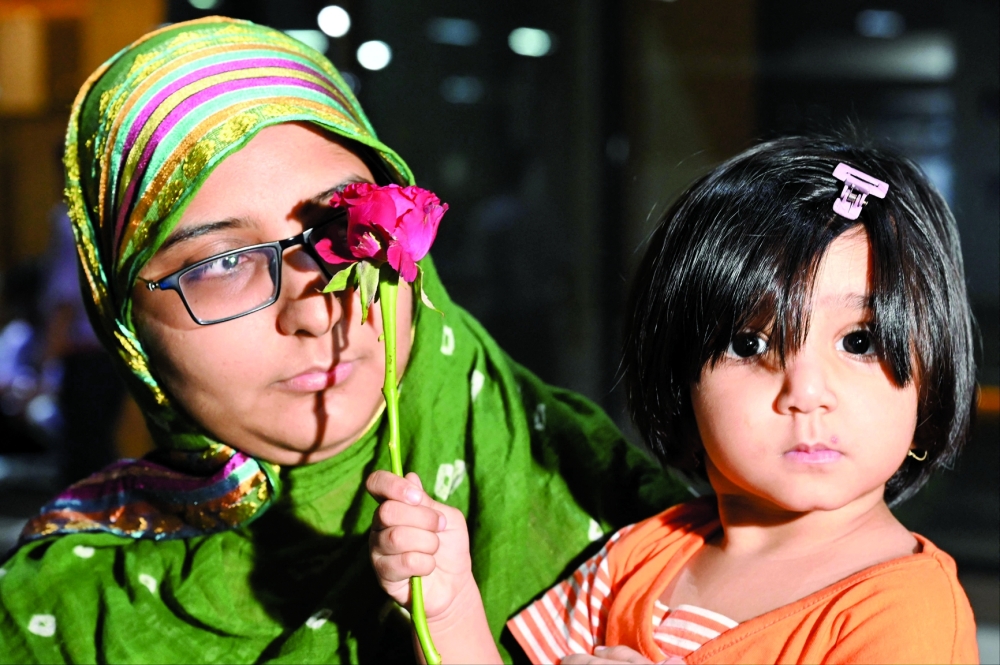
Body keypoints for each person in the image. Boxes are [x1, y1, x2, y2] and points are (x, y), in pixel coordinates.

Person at [0, 17, 691, 663]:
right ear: (123, 323)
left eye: (342, 231)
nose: (313, 311)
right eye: (221, 264)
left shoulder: (607, 504)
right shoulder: (59, 611)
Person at [366, 136, 980, 663]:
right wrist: (449, 609)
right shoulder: (643, 554)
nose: (807, 393)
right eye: (749, 342)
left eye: (859, 340)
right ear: (680, 381)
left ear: (931, 378)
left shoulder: (904, 610)